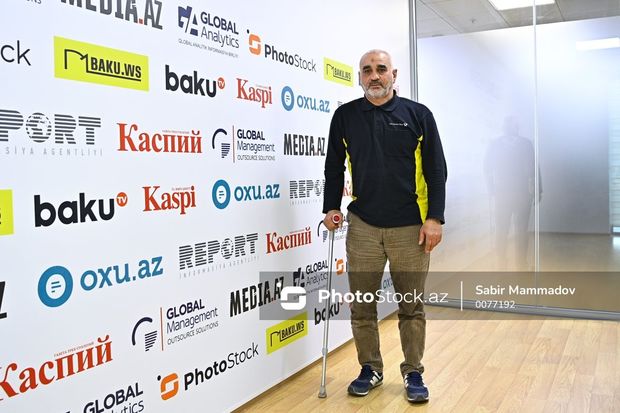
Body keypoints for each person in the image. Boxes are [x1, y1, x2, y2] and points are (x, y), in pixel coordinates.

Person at [322, 49, 447, 403]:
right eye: (367, 70)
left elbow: (436, 169)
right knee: (363, 305)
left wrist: (434, 218)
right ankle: (370, 368)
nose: (374, 76)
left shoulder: (418, 115)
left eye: (380, 69)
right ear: (359, 77)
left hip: (411, 226)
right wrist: (331, 208)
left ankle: (413, 372)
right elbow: (334, 167)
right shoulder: (345, 117)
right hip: (363, 225)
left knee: (411, 305)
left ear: (394, 74)